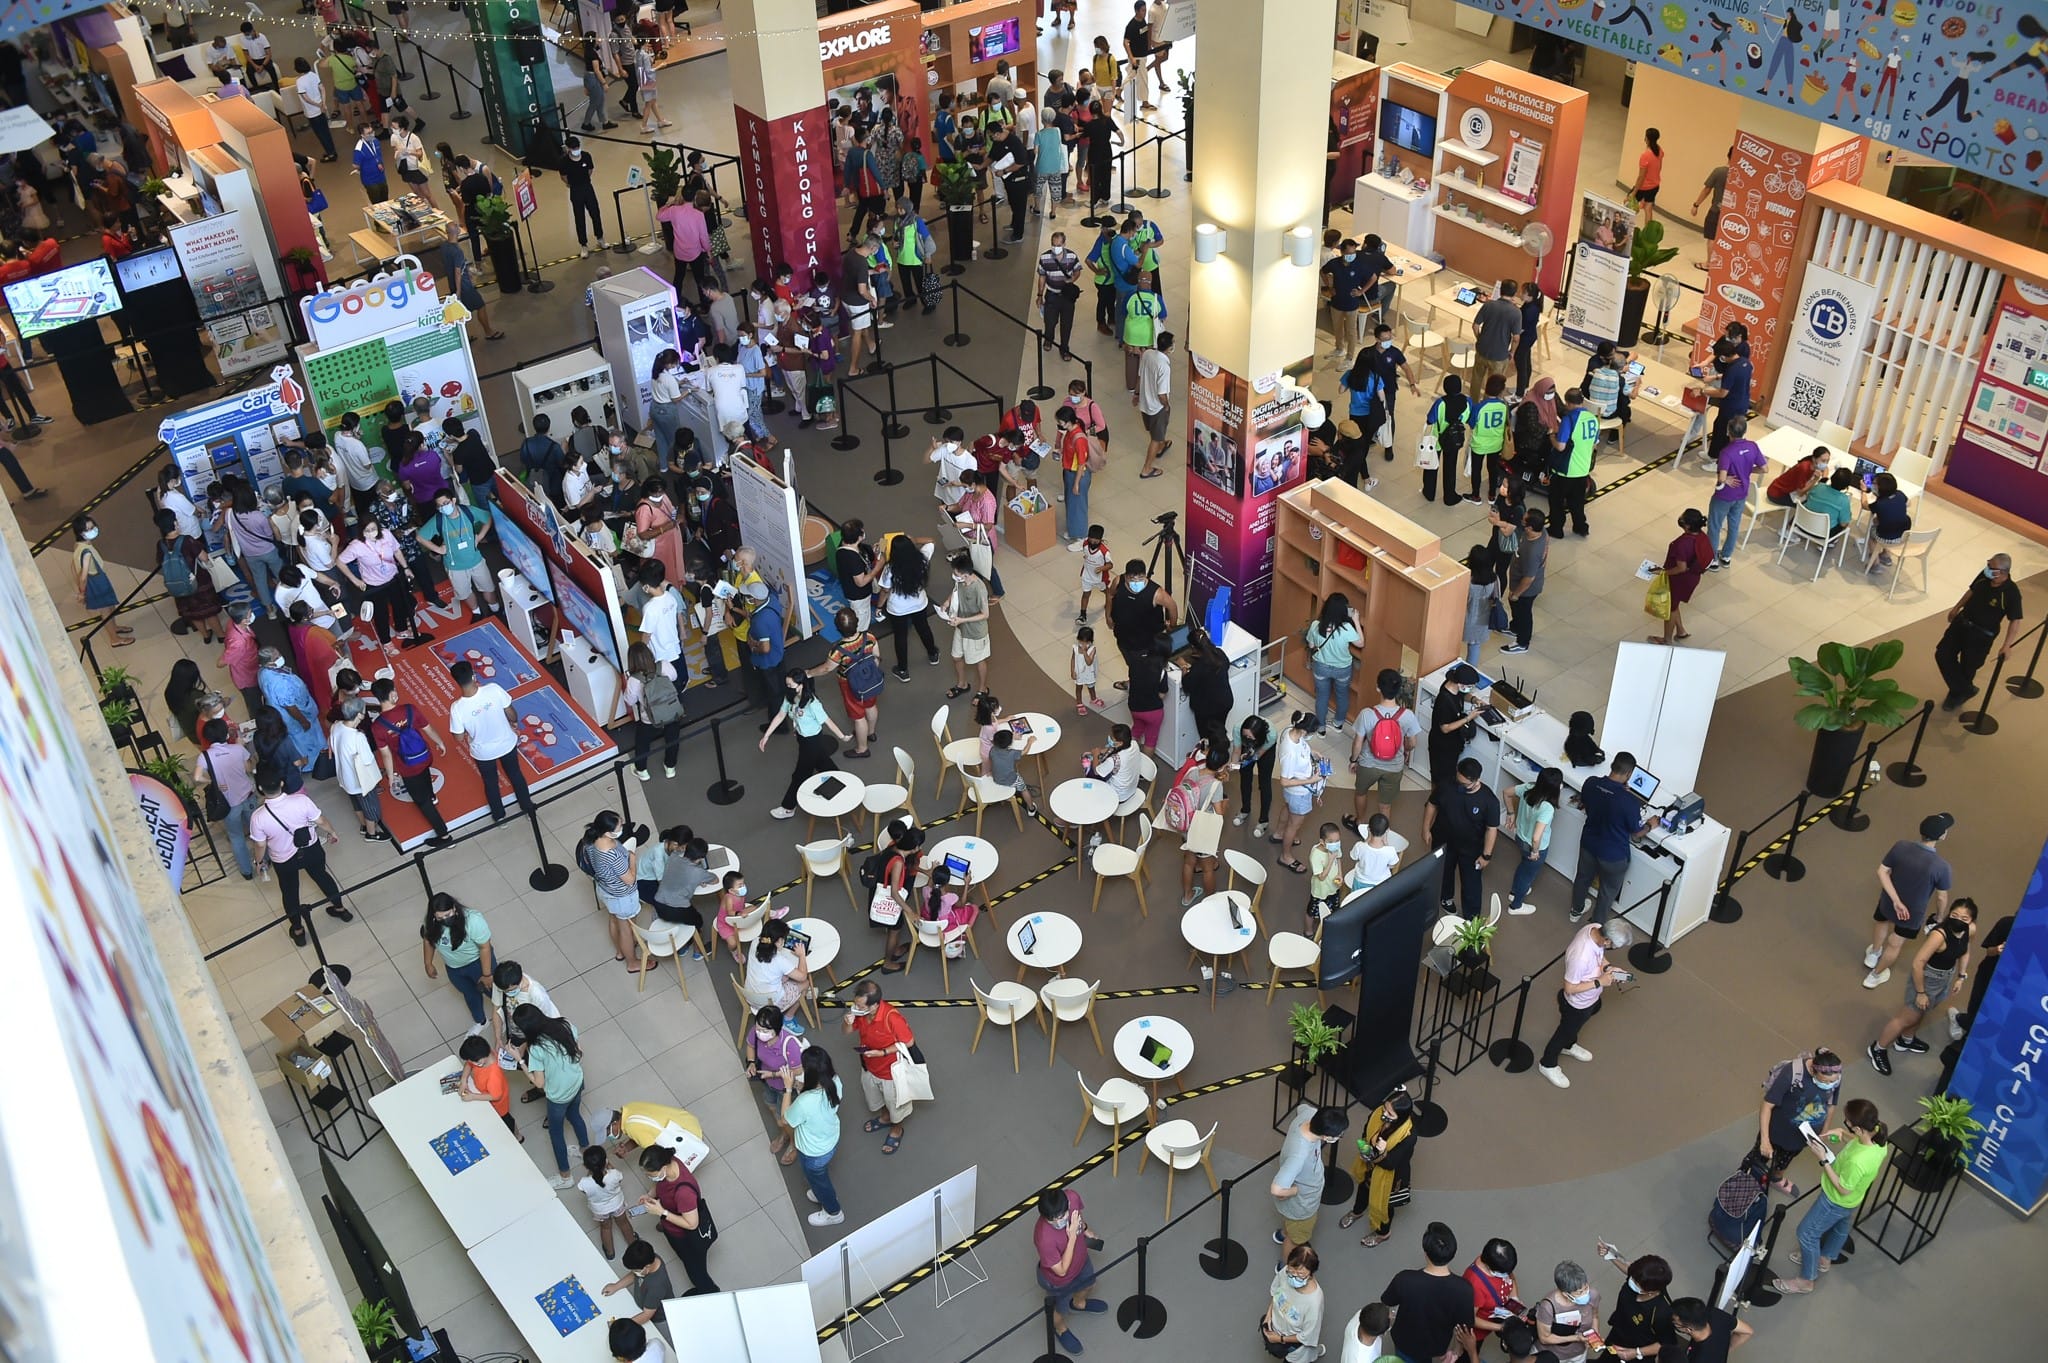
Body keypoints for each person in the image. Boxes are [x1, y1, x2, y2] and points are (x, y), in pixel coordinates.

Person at [1770, 1099, 1887, 1295]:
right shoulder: (1879, 1142)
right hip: (1852, 1202)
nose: (1845, 1124)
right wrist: (1843, 1135)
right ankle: (1825, 1258)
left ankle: (1806, 1280)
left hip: (1835, 1200)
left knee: (1806, 1234)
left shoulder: (1859, 1162)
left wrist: (1823, 1159)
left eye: (1847, 1123)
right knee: (1841, 1227)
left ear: (1858, 1128)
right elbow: (1859, 1143)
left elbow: (1842, 1188)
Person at [1869, 896, 1976, 1076]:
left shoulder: (1969, 930)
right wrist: (1921, 992)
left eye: (1964, 918)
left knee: (1922, 1011)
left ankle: (1906, 1040)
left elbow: (1965, 950)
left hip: (1945, 977)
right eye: (1954, 915)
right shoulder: (1939, 935)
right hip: (1927, 977)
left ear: (1971, 921)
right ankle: (1878, 1048)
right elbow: (1917, 963)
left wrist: (1961, 976)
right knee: (1907, 1017)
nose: (1958, 920)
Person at [248, 769, 352, 946]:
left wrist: (259, 862)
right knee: (322, 876)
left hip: (283, 859)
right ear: (281, 783)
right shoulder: (301, 801)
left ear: (259, 788)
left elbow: (260, 845)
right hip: (311, 849)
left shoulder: (258, 818)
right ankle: (340, 909)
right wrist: (332, 832)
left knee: (289, 892)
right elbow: (321, 821)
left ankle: (298, 930)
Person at [1537, 919, 1632, 1089]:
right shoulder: (1581, 957)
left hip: (1589, 1001)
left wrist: (1609, 968)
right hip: (1576, 1005)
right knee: (1564, 1032)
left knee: (1573, 1029)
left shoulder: (1594, 928)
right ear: (1607, 941)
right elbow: (1569, 988)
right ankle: (1547, 1064)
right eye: (1614, 947)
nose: (1612, 949)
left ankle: (1568, 1045)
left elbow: (1599, 957)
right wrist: (1599, 982)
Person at [1866, 812, 1955, 988]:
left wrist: (1896, 901)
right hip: (1912, 913)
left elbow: (1882, 871)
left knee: (1881, 923)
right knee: (1895, 943)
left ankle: (1873, 954)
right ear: (1942, 835)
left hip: (1888, 901)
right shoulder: (1941, 867)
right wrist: (1939, 917)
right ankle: (1874, 976)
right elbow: (1942, 897)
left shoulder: (1901, 846)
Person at [448, 659, 535, 822]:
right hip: (507, 743)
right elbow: (510, 712)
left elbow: (458, 737)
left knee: (491, 783)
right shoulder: (493, 689)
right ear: (473, 676)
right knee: (515, 774)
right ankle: (527, 807)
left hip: (483, 753)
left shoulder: (457, 708)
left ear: (456, 682)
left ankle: (499, 817)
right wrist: (514, 722)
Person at [1380, 1222, 1479, 1363]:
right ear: (1452, 1253)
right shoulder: (1464, 1290)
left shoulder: (1404, 1279)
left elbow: (1386, 1304)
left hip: (1405, 1341)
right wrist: (1457, 1351)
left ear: (1425, 1252)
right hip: (1437, 1346)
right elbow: (1464, 1328)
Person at [1935, 553, 2022, 711]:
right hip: (1962, 623)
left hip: (1981, 635)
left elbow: (2015, 620)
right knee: (1943, 654)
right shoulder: (1984, 576)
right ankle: (1966, 689)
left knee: (1968, 667)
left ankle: (1956, 694)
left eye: (1991, 567)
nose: (1987, 569)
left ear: (2002, 572)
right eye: (1988, 564)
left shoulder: (2011, 593)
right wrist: (1956, 608)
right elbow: (1971, 591)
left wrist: (2007, 645)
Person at [1750, 1049, 1845, 1194]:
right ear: (1813, 1071)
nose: (1830, 1084)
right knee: (1757, 1159)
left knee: (1786, 1159)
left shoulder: (1835, 1075)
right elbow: (1767, 1105)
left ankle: (1776, 1178)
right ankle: (1746, 1181)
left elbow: (1831, 1105)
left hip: (1803, 1136)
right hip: (1777, 1130)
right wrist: (1765, 1140)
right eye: (1825, 1081)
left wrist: (1823, 1133)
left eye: (1833, 1082)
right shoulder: (1792, 1073)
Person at [844, 979, 919, 1153]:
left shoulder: (892, 1017)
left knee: (895, 1104)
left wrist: (883, 1052)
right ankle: (885, 1118)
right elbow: (846, 1032)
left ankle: (896, 1128)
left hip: (890, 1072)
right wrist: (847, 1023)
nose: (856, 1008)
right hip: (869, 1067)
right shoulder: (861, 1014)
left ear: (875, 1005)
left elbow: (908, 1041)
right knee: (878, 1097)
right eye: (855, 1004)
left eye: (861, 1006)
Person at [1573, 752, 1647, 925]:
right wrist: (1651, 825)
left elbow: (1587, 803)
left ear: (1613, 765)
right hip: (1613, 856)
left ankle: (1575, 910)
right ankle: (1596, 926)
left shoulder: (1591, 783)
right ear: (1629, 774)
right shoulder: (1629, 802)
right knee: (1607, 892)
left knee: (1583, 878)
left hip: (1589, 844)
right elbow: (1636, 832)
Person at [636, 1143, 719, 1295]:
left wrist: (662, 1212)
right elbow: (660, 1184)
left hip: (684, 1237)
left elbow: (692, 1224)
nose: (649, 1177)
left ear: (663, 1167)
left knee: (695, 1270)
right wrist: (649, 1195)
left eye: (651, 1174)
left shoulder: (683, 1193)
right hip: (671, 1225)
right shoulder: (671, 1162)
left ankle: (709, 1291)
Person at [1424, 758, 1501, 920]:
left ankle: (1471, 919)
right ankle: (1446, 898)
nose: (1459, 786)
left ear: (1477, 780)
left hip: (1472, 849)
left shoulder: (1489, 801)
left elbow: (1491, 829)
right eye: (1458, 781)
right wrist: (1425, 829)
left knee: (1471, 884)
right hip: (1443, 841)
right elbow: (1432, 804)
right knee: (1444, 872)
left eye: (1464, 784)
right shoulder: (1447, 785)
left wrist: (1486, 855)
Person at [1339, 1087, 1417, 1247]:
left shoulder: (1409, 1136)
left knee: (1384, 1206)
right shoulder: (1378, 1114)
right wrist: (1366, 1150)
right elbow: (1367, 1129)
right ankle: (1357, 1211)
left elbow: (1391, 1164)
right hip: (1370, 1165)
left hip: (1390, 1177)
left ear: (1400, 1117)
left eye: (1390, 1114)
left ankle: (1383, 1233)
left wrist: (1382, 1152)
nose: (1384, 1115)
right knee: (1363, 1188)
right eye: (1385, 1109)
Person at [1350, 669, 1422, 832]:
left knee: (1361, 793)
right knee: (1385, 804)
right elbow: (1412, 743)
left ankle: (1360, 822)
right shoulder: (1408, 715)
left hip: (1369, 763)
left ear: (1378, 688)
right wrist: (1405, 751)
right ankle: (1381, 832)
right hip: (1394, 766)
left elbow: (1357, 743)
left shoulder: (1367, 714)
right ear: (1398, 690)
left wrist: (1354, 760)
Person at [1271, 1103, 1348, 1255]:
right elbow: (1276, 1189)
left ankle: (1285, 1233)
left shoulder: (1309, 1115)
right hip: (1301, 1205)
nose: (1340, 1136)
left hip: (1294, 1208)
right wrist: (1296, 1190)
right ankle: (1285, 1267)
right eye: (1340, 1134)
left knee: (1292, 1225)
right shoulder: (1299, 1155)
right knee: (1295, 1241)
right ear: (1326, 1137)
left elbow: (1302, 1106)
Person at [1035, 1187, 1104, 1354]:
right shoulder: (1043, 1238)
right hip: (1059, 1281)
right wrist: (1072, 1236)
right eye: (1053, 1219)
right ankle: (1059, 1329)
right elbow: (1061, 1271)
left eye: (1062, 1215)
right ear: (1045, 1218)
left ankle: (1079, 1303)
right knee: (1059, 1309)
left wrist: (1085, 1228)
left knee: (1089, 1285)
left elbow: (1078, 1216)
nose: (1059, 1221)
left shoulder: (1072, 1197)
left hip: (1081, 1260)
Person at [193, 718, 259, 879]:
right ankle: (264, 861)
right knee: (257, 832)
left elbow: (197, 777)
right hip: (247, 796)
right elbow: (249, 768)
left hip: (228, 803)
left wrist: (212, 782)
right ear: (225, 734)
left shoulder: (204, 757)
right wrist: (242, 747)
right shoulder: (237, 749)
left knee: (236, 837)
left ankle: (246, 871)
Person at [419, 892, 495, 1032]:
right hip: (454, 969)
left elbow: (485, 948)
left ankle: (509, 1017)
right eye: (440, 918)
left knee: (494, 993)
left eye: (448, 915)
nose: (445, 920)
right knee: (470, 994)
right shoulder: (431, 923)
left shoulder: (473, 920)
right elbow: (428, 940)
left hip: (477, 963)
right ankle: (481, 1021)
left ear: (454, 908)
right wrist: (428, 963)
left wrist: (487, 974)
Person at [1706, 418, 1769, 568]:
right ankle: (1726, 556)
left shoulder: (1726, 452)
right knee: (1734, 525)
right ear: (1745, 431)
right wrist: (1748, 470)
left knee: (1714, 526)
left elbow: (1722, 477)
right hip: (1741, 494)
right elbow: (1765, 469)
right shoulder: (1752, 446)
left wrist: (1725, 479)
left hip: (1724, 496)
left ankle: (1712, 558)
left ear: (1728, 432)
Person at [331, 698, 395, 843]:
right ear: (360, 715)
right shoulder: (357, 737)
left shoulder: (337, 726)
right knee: (371, 807)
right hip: (360, 780)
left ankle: (363, 826)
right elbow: (367, 760)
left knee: (356, 803)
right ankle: (371, 834)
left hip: (344, 776)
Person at [878, 535, 940, 682]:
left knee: (900, 637)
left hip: (897, 609)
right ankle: (933, 654)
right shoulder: (922, 559)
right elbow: (931, 540)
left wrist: (879, 606)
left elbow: (885, 590)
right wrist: (915, 540)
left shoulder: (890, 568)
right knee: (923, 628)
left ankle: (903, 669)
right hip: (919, 604)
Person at [1502, 766, 1562, 915]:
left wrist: (1511, 813)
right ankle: (1516, 906)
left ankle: (1514, 891)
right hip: (1534, 846)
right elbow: (1536, 837)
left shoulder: (1528, 788)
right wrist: (1535, 852)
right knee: (1528, 874)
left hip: (1520, 837)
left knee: (1524, 866)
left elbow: (1506, 792)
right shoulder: (1547, 808)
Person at [1651, 508, 1713, 646]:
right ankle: (1680, 631)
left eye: (1683, 518)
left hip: (1680, 579)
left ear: (1688, 526)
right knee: (1675, 603)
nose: (1680, 518)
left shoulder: (1682, 544)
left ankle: (1667, 640)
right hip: (1692, 577)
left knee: (1670, 608)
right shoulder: (1701, 536)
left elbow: (1681, 568)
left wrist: (1662, 572)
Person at [1305, 594, 1363, 734]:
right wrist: (1356, 620)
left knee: (1322, 696)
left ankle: (1321, 727)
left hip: (1321, 667)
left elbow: (1311, 645)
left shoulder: (1316, 625)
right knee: (1342, 695)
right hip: (1342, 669)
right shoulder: (1346, 628)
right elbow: (1361, 643)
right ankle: (1338, 723)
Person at [938, 552, 992, 698]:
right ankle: (962, 684)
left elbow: (985, 614)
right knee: (956, 657)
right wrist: (947, 602)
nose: (954, 575)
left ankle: (982, 689)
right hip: (961, 628)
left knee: (979, 660)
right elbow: (955, 591)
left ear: (965, 574)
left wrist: (962, 620)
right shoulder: (960, 581)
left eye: (956, 573)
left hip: (975, 632)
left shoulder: (979, 588)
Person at [1108, 558, 1174, 676]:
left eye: (1141, 578)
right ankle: (1134, 678)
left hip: (1145, 642)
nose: (1137, 582)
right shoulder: (1118, 582)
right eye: (1133, 579)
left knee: (1144, 667)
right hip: (1123, 635)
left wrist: (1171, 626)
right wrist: (1108, 615)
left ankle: (1139, 681)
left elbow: (1172, 606)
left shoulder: (1156, 593)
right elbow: (1110, 595)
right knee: (1130, 662)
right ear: (1126, 576)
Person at [1261, 1244, 1327, 1362]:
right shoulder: (1286, 1272)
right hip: (1275, 1328)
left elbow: (1306, 1336)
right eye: (1291, 1271)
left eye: (1300, 1274)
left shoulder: (1314, 1303)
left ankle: (1316, 1352)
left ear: (1311, 1274)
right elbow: (1276, 1292)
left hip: (1296, 1349)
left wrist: (1280, 1339)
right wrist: (1268, 1315)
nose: (1293, 1276)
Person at [1551, 388, 1597, 537]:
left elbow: (1560, 446)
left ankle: (1556, 529)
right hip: (1583, 468)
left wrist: (1551, 436)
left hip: (1566, 470)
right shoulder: (1592, 419)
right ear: (1582, 401)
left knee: (1556, 502)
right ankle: (1581, 527)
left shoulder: (1569, 420)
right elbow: (1594, 444)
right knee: (1577, 502)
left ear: (1568, 403)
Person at [1534, 1261, 1601, 1363]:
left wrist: (1594, 1333)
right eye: (1579, 1292)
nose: (1585, 1294)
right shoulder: (1548, 1307)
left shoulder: (1593, 1294)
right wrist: (1576, 1338)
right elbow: (1544, 1338)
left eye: (1586, 1287)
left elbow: (1595, 1316)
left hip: (1579, 1353)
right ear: (1566, 1294)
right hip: (1554, 1356)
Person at [600, 1240, 675, 1329]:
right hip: (643, 1301)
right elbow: (635, 1275)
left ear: (647, 1266)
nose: (634, 1272)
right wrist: (616, 1286)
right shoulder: (651, 1258)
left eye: (636, 1270)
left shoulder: (656, 1287)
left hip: (656, 1315)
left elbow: (646, 1315)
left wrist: (620, 1326)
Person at [1428, 663, 1483, 784]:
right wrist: (1469, 718)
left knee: (1448, 775)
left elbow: (1463, 694)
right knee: (1440, 778)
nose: (1471, 689)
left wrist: (1474, 699)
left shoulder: (1453, 685)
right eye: (1470, 686)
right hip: (1442, 746)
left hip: (1452, 743)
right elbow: (1445, 728)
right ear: (1460, 683)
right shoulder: (1445, 701)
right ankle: (1435, 801)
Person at [1503, 509, 1547, 655]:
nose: (1522, 520)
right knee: (1516, 608)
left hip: (1526, 589)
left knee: (1524, 613)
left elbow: (1529, 578)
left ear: (1530, 528)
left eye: (1524, 520)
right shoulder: (1542, 532)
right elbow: (1547, 543)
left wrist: (1517, 593)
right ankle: (1515, 627)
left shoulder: (1533, 551)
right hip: (1518, 581)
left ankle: (1522, 642)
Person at [1698, 340, 1752, 460]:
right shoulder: (1745, 363)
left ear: (1723, 356)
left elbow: (1722, 393)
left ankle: (1718, 462)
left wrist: (1703, 391)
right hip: (1742, 402)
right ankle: (1712, 455)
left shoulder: (1732, 369)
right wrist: (1715, 377)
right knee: (1719, 428)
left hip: (1731, 406)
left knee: (1723, 434)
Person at [1474, 281, 1523, 392]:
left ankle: (1474, 403)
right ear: (1515, 294)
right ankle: (1488, 405)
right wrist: (1512, 352)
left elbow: (1475, 326)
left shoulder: (1488, 304)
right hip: (1499, 355)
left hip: (1482, 350)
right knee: (1494, 386)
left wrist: (1480, 339)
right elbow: (1516, 338)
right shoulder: (1516, 313)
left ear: (1500, 291)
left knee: (1476, 380)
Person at [1235, 713, 1278, 839]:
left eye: (1249, 736)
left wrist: (1249, 757)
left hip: (1265, 750)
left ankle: (1263, 820)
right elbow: (1236, 751)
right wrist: (1234, 765)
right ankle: (1245, 810)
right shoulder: (1238, 729)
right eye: (1245, 735)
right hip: (1248, 749)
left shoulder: (1271, 735)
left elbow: (1259, 754)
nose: (1246, 737)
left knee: (1264, 783)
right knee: (1244, 777)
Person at [1671, 1296, 1751, 1360]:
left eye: (1675, 1323)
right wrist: (1724, 1351)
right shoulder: (1714, 1313)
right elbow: (1747, 1332)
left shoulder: (1700, 1357)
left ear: (1688, 1329)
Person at [1513, 281, 1544, 395]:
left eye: (1523, 293)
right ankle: (1525, 385)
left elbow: (1521, 327)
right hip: (1530, 336)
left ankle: (1519, 393)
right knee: (1526, 360)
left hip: (1525, 338)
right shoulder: (1531, 304)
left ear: (1530, 295)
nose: (1521, 294)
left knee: (1521, 364)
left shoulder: (1530, 311)